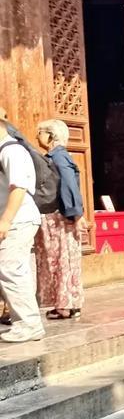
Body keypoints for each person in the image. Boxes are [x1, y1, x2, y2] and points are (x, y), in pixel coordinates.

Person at [0, 108, 46, 343]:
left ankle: (28, 324)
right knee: (16, 269)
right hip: (16, 219)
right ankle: (27, 322)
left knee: (9, 269)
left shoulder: (12, 151)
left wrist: (5, 220)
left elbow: (18, 188)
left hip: (18, 219)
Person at [35, 119, 85, 320]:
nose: (38, 136)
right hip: (64, 215)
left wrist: (75, 213)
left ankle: (65, 305)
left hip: (59, 216)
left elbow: (69, 185)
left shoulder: (58, 158)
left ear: (50, 135)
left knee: (60, 258)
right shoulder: (59, 157)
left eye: (40, 132)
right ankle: (69, 303)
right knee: (65, 258)